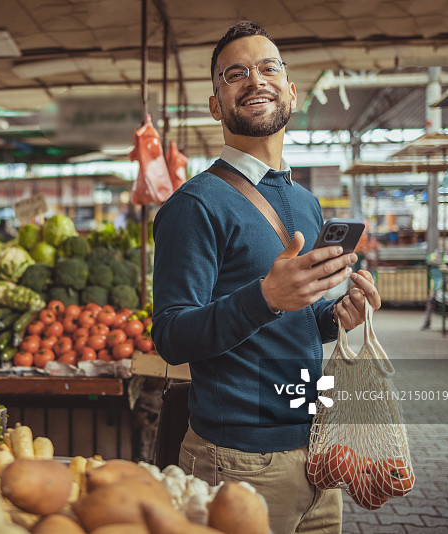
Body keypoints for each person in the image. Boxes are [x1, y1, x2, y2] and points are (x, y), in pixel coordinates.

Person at [151, 21, 381, 534]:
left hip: (317, 451)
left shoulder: (304, 201)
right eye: (235, 74)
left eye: (268, 67)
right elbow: (169, 335)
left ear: (291, 91)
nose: (255, 80)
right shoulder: (194, 205)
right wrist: (266, 297)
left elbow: (300, 318)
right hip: (236, 463)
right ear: (217, 106)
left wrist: (338, 316)